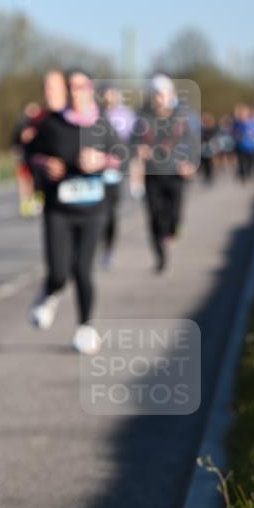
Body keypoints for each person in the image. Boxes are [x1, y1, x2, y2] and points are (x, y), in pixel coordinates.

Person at [26, 70, 121, 355]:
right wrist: (44, 164)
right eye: (72, 87)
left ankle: (85, 327)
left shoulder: (102, 124)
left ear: (91, 90)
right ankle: (49, 291)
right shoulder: (52, 123)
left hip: (93, 209)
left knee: (82, 270)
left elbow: (122, 156)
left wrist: (101, 160)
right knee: (58, 271)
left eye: (82, 87)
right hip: (58, 209)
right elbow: (30, 154)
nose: (77, 92)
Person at [132, 74, 197, 272]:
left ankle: (173, 230)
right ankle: (160, 257)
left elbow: (192, 144)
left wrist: (190, 164)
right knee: (154, 217)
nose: (160, 98)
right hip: (152, 175)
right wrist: (138, 151)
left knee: (174, 215)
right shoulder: (143, 119)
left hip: (175, 174)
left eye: (164, 94)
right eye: (157, 94)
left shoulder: (181, 118)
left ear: (171, 95)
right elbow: (132, 143)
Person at [99, 84, 135, 267]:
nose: (109, 98)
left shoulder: (126, 115)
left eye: (112, 95)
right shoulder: (94, 113)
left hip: (115, 170)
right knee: (97, 211)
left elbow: (131, 142)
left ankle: (109, 248)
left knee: (110, 212)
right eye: (106, 95)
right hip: (96, 170)